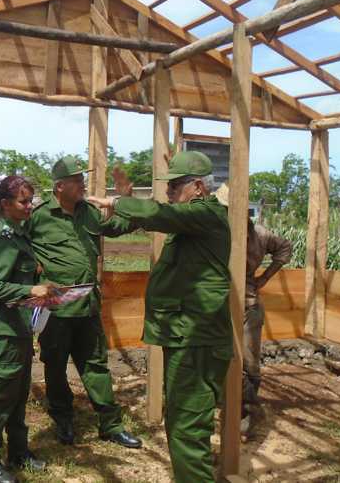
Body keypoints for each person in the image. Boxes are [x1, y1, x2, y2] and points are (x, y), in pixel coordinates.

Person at [89, 151, 232, 483]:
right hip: (186, 336)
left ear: (197, 186)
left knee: (187, 427)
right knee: (182, 423)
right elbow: (149, 216)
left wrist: (120, 202)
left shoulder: (207, 215)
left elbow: (155, 212)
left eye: (174, 187)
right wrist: (115, 212)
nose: (168, 194)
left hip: (197, 339)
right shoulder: (190, 222)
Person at [26, 156, 142, 449]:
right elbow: (18, 247)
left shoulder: (88, 212)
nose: (83, 185)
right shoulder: (38, 217)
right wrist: (32, 279)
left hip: (87, 306)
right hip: (56, 309)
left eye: (82, 180)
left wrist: (125, 201)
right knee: (54, 365)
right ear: (60, 186)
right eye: (77, 181)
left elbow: (116, 227)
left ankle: (110, 424)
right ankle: (63, 419)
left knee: (95, 365)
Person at [0, 175, 52, 483]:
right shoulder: (3, 237)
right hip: (4, 330)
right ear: (5, 205)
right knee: (1, 396)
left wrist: (44, 291)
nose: (29, 205)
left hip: (19, 328)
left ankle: (19, 451)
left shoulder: (19, 234)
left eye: (31, 199)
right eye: (23, 201)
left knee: (19, 393)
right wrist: (32, 291)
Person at [215, 184, 292, 433]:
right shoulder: (217, 232)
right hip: (218, 303)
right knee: (217, 356)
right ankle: (220, 402)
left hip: (248, 303)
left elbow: (285, 248)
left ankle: (244, 411)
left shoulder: (259, 235)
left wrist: (264, 278)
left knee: (249, 363)